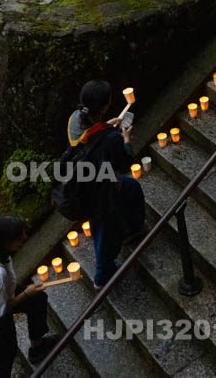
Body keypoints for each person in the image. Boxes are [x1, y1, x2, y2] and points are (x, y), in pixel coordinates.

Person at [67, 80, 146, 289]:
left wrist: (105, 126)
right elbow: (125, 162)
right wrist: (126, 139)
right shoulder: (110, 139)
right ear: (105, 105)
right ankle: (102, 277)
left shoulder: (75, 119)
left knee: (132, 189)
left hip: (87, 178)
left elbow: (88, 142)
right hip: (99, 191)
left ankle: (132, 228)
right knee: (104, 231)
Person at [0, 214, 60, 376]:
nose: (25, 237)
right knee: (6, 352)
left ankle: (37, 346)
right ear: (6, 242)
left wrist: (26, 294)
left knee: (37, 299)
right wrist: (25, 294)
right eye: (20, 236)